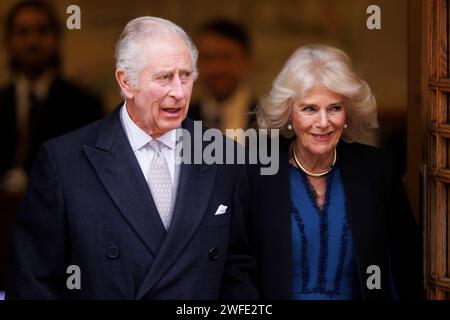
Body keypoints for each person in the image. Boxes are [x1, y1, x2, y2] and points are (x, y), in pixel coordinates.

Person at [6, 16, 257, 300]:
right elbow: (32, 281)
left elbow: (238, 270)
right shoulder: (63, 162)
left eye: (185, 75)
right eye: (164, 77)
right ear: (126, 82)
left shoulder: (227, 157)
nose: (178, 92)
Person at [249, 44, 422, 300]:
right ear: (289, 112)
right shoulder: (255, 172)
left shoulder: (377, 170)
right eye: (309, 109)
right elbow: (236, 266)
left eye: (334, 108)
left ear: (348, 112)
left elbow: (405, 264)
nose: (323, 122)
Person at [0, 0, 102, 292]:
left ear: (56, 38)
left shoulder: (83, 104)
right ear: (10, 41)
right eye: (23, 32)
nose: (32, 40)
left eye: (41, 31)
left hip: (59, 237)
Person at [188, 19, 257, 136]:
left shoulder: (271, 121)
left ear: (246, 62)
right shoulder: (181, 121)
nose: (217, 68)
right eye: (208, 58)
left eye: (226, 57)